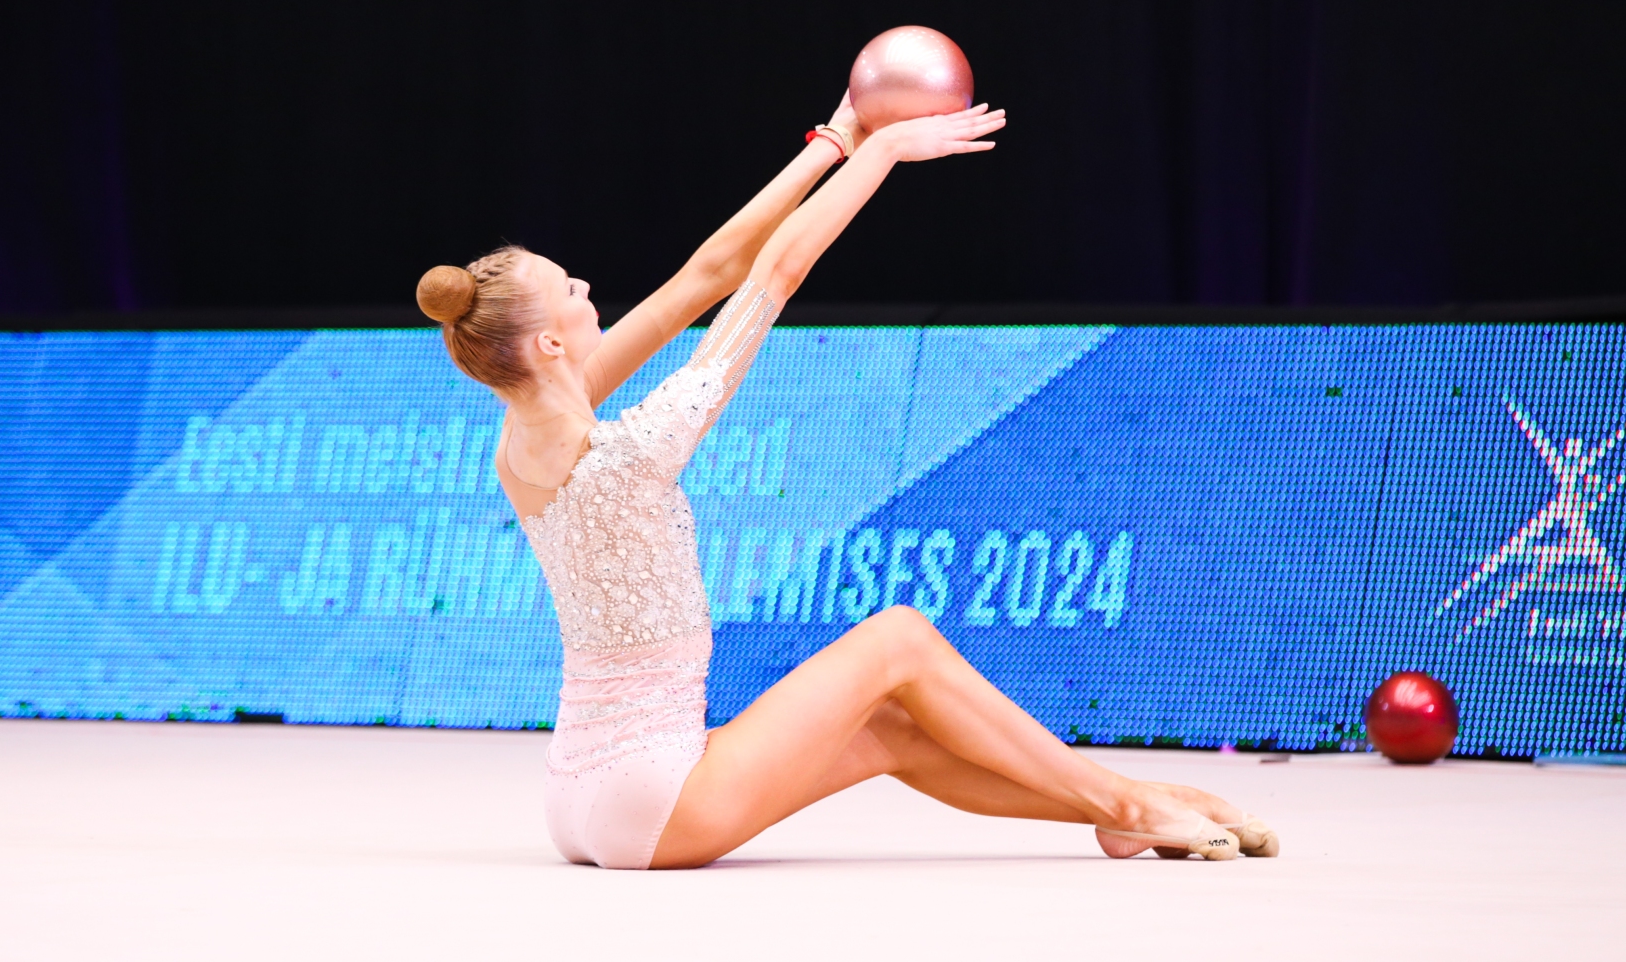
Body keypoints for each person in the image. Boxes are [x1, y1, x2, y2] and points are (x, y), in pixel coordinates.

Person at [415, 92, 1278, 870]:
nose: (585, 284)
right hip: (656, 795)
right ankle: (1129, 803)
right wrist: (884, 151)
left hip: (579, 796)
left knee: (893, 730)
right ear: (550, 344)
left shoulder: (520, 442)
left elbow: (705, 276)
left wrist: (833, 140)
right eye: (568, 287)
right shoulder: (635, 448)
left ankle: (1125, 807)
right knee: (898, 638)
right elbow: (771, 276)